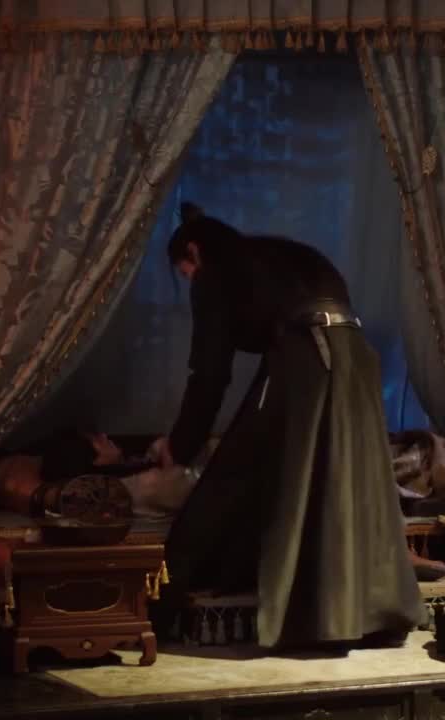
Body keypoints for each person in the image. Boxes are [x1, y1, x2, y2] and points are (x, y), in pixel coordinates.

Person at [147, 203, 424, 650]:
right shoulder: (276, 256)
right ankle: (363, 611)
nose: (190, 281)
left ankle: (163, 595)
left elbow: (210, 374)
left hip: (310, 355)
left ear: (194, 252)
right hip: (354, 357)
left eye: (186, 272)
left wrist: (180, 447)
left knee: (233, 472)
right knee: (341, 477)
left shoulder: (217, 272)